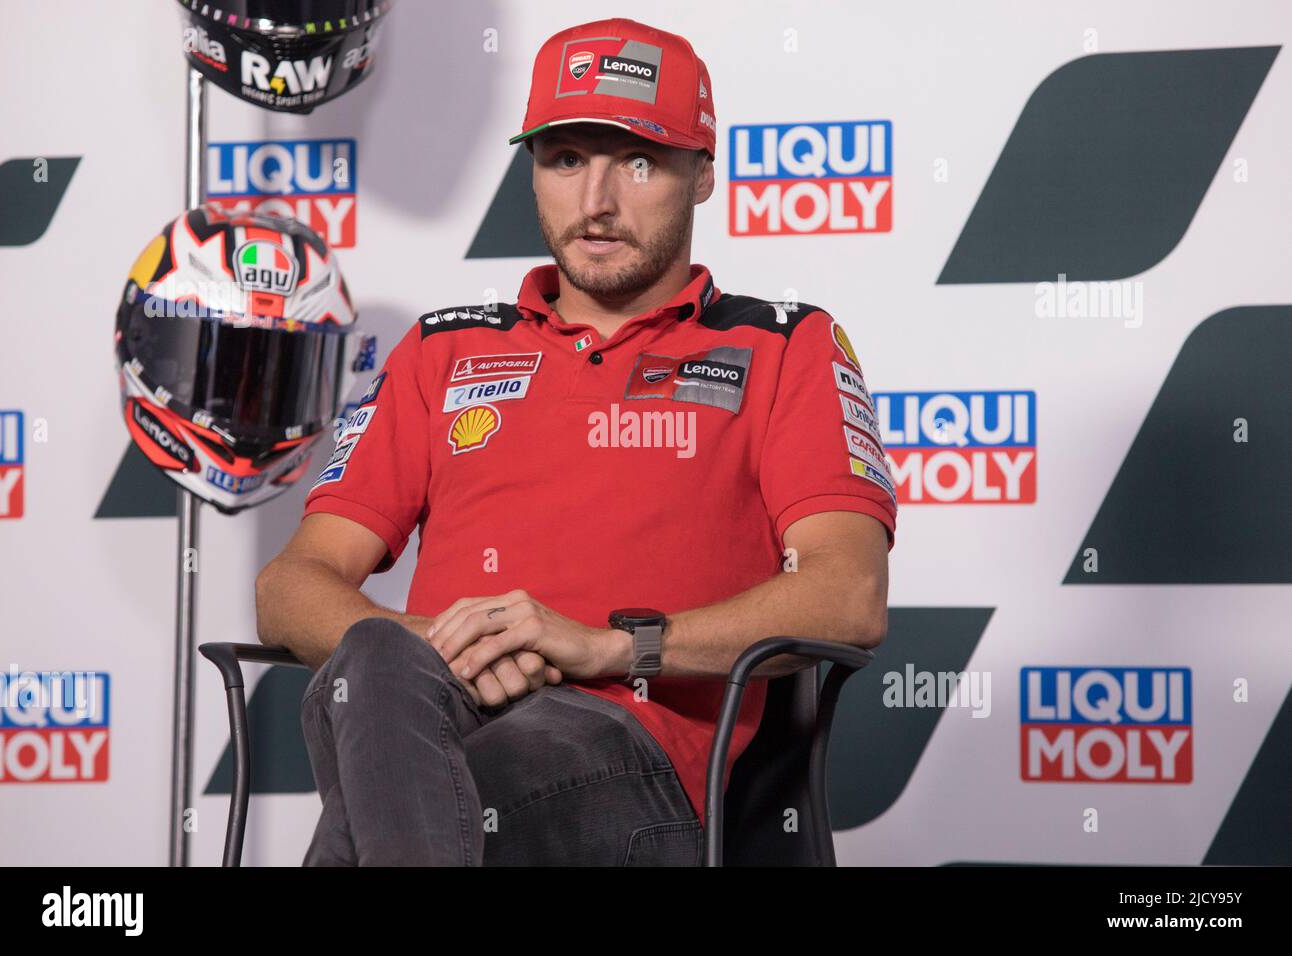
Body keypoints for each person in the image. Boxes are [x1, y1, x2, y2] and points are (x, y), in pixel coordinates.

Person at [255, 16, 898, 866]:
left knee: (414, 801)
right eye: (565, 160)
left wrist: (607, 646)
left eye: (636, 161)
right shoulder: (444, 351)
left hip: (634, 758)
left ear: (702, 174)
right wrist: (456, 651)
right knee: (374, 656)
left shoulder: (787, 346)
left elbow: (849, 596)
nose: (595, 202)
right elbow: (291, 585)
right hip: (433, 717)